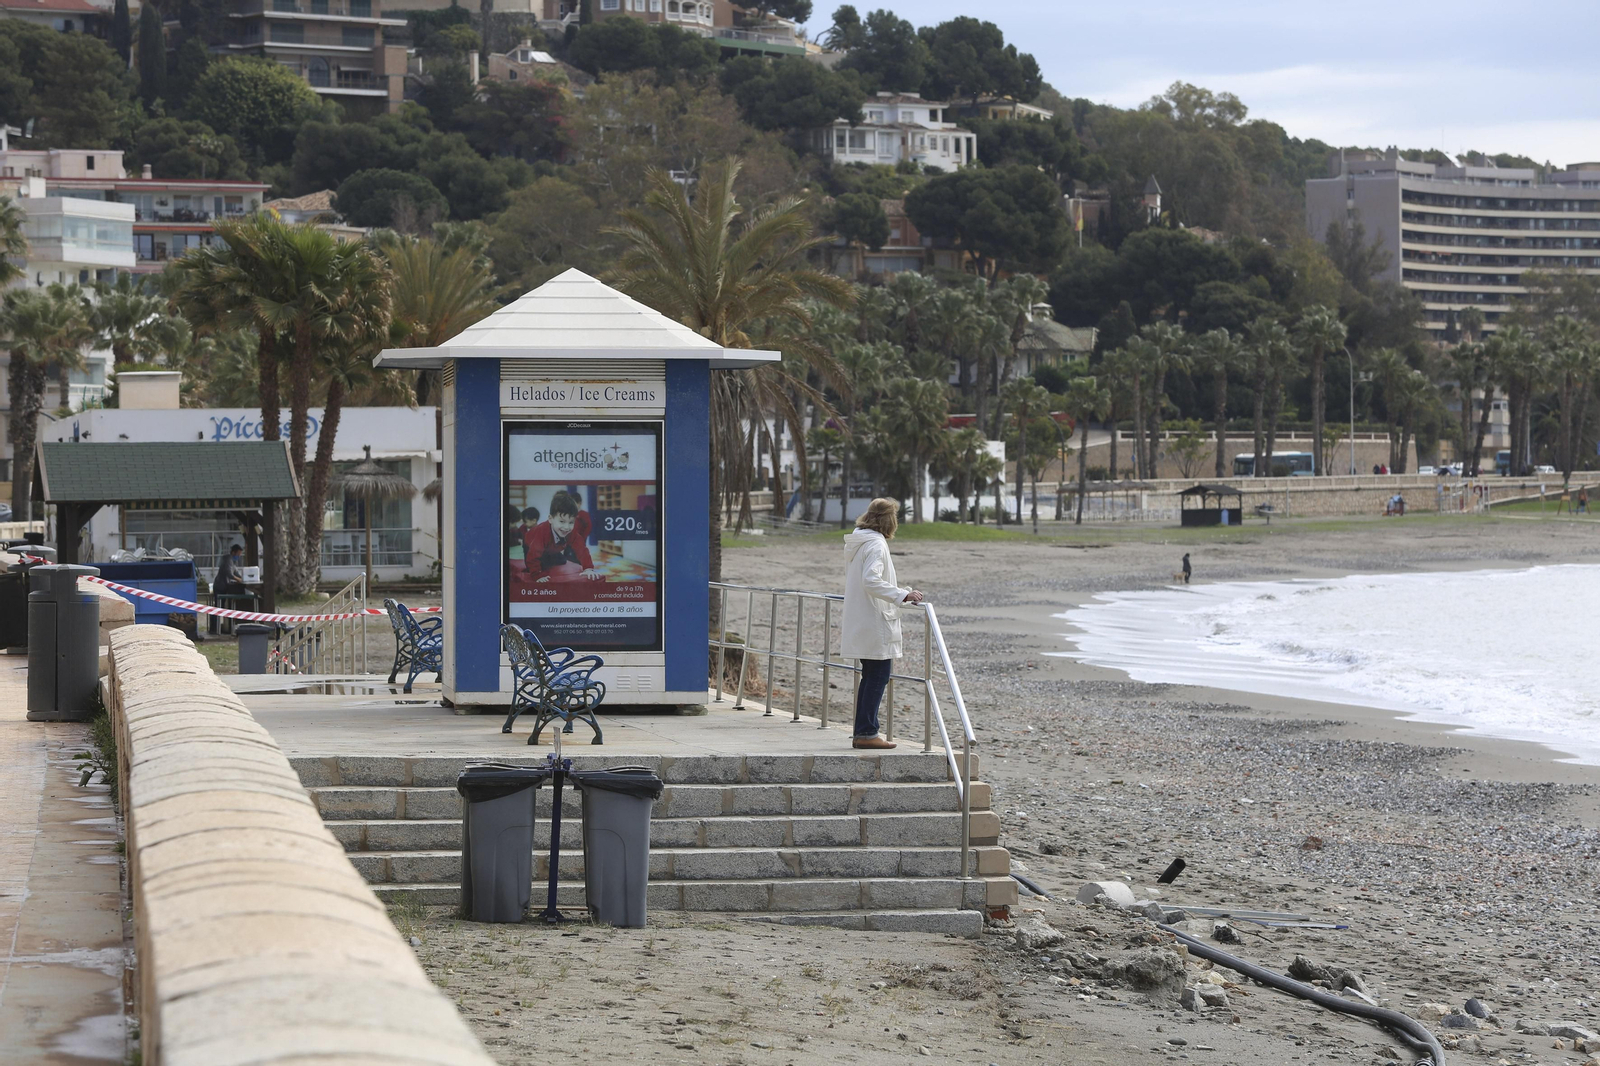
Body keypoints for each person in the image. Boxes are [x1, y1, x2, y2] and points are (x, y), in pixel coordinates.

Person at [841, 498, 923, 751]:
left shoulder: (859, 541)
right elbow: (871, 580)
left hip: (862, 618)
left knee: (871, 677)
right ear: (890, 520)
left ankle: (864, 731)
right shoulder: (876, 544)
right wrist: (903, 595)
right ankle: (866, 733)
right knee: (878, 677)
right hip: (875, 620)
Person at [523, 491, 601, 582]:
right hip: (529, 546)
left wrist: (588, 569)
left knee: (562, 561)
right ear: (550, 519)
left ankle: (548, 558)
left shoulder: (571, 533)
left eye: (571, 522)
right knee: (536, 564)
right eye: (562, 522)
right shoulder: (542, 532)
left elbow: (582, 550)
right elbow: (533, 556)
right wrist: (537, 575)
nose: (566, 527)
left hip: (551, 549)